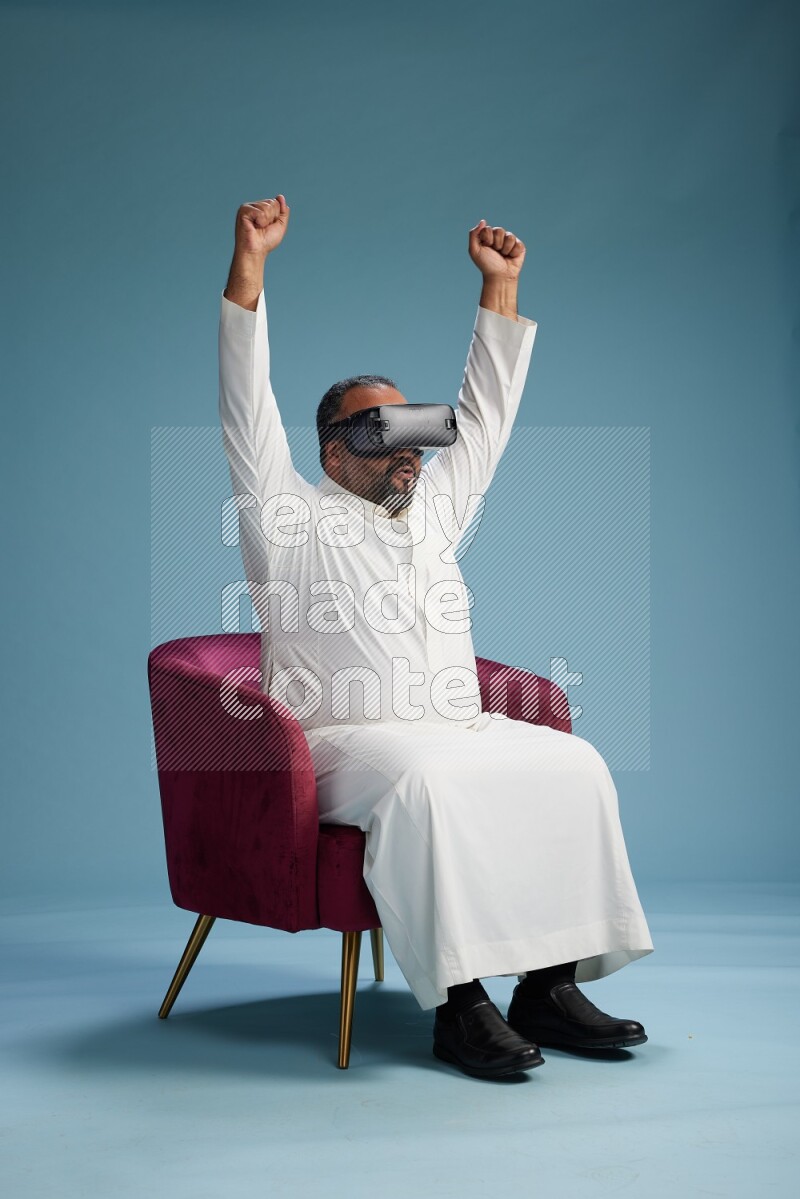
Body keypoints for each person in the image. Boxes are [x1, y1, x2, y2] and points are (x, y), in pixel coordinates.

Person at [218, 194, 655, 1080]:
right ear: (334, 454)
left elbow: (484, 418)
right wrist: (250, 267)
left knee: (576, 764)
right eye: (387, 435)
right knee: (425, 782)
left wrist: (501, 288)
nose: (413, 453)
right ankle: (460, 1007)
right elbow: (244, 402)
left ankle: (548, 986)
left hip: (452, 725)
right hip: (343, 742)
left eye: (419, 434)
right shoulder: (287, 516)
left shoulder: (434, 513)